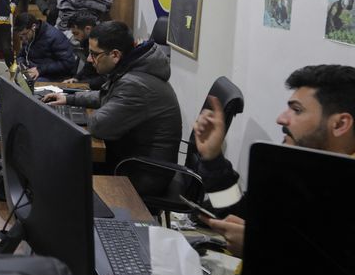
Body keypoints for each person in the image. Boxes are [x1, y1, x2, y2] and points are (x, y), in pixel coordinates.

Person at [193, 64, 355, 258]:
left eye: (297, 110)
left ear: (339, 124)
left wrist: (261, 247)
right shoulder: (296, 166)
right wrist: (213, 159)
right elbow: (239, 214)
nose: (281, 119)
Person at [43, 21, 181, 194]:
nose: (89, 59)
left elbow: (99, 126)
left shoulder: (135, 84)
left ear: (115, 55)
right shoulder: (133, 69)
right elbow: (106, 96)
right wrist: (69, 99)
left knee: (62, 167)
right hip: (131, 157)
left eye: (94, 54)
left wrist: (84, 114)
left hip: (142, 174)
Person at [14, 12, 75, 82]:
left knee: (28, 83)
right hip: (34, 71)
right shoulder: (29, 36)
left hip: (53, 75)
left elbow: (68, 63)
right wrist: (21, 65)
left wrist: (40, 70)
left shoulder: (54, 36)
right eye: (20, 36)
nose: (23, 38)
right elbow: (21, 55)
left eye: (24, 34)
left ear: (33, 27)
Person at [62, 12, 106, 90]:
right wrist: (76, 78)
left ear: (88, 29)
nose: (75, 38)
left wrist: (80, 84)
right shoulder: (86, 41)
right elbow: (88, 66)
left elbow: (105, 78)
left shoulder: (104, 42)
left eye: (76, 33)